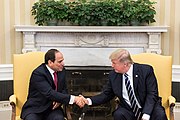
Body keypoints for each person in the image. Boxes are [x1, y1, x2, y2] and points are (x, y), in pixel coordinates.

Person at [84, 49, 167, 120]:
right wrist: (88, 101)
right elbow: (106, 94)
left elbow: (152, 94)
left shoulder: (146, 71)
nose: (112, 66)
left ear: (125, 64)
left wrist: (146, 114)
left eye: (114, 63)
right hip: (128, 109)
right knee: (118, 114)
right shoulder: (113, 75)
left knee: (160, 114)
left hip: (149, 107)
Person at [20, 49, 85, 120]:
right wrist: (74, 99)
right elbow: (49, 93)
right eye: (60, 61)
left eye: (63, 60)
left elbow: (64, 90)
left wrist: (60, 101)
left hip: (53, 109)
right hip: (36, 109)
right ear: (50, 62)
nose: (63, 63)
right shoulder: (38, 74)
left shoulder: (62, 71)